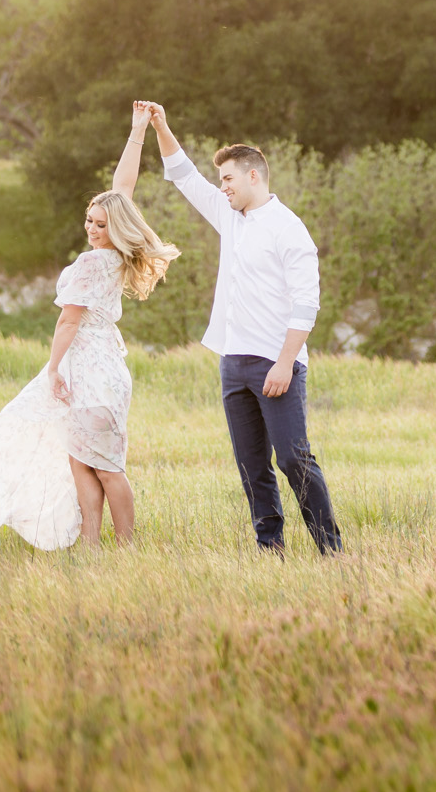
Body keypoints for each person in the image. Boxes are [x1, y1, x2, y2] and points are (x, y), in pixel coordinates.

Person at [0, 105, 178, 550]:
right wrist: (137, 130)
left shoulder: (91, 262)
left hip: (94, 375)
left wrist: (51, 368)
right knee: (82, 463)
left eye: (101, 225)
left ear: (115, 229)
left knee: (105, 467)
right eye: (89, 221)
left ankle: (126, 545)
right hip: (101, 372)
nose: (92, 228)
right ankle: (90, 543)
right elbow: (121, 191)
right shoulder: (117, 255)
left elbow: (68, 320)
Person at [139, 101, 342, 555]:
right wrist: (161, 126)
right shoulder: (229, 215)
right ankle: (270, 549)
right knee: (252, 465)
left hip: (277, 364)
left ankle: (332, 550)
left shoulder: (289, 229)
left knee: (293, 458)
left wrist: (285, 364)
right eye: (221, 180)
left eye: (228, 178)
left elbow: (307, 303)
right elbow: (183, 175)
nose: (222, 187)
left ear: (254, 176)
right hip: (234, 362)